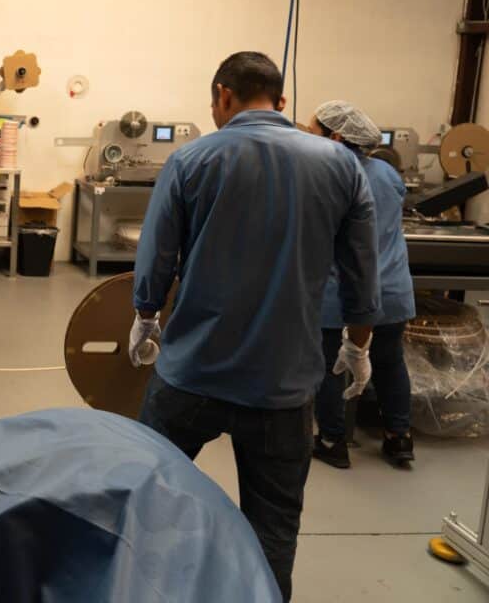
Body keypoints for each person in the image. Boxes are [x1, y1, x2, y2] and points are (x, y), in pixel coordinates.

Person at [129, 52, 380, 601]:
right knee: (273, 530)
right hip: (283, 388)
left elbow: (157, 255)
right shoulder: (342, 166)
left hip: (192, 373)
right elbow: (363, 273)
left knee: (148, 501)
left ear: (223, 95)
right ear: (281, 101)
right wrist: (358, 346)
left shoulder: (192, 159)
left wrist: (146, 316)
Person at [309, 101, 416, 469]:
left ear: (336, 137)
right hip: (391, 289)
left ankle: (332, 440)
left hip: (343, 293)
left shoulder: (328, 175)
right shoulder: (388, 173)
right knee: (389, 361)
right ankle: (399, 438)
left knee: (331, 366)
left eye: (314, 132)